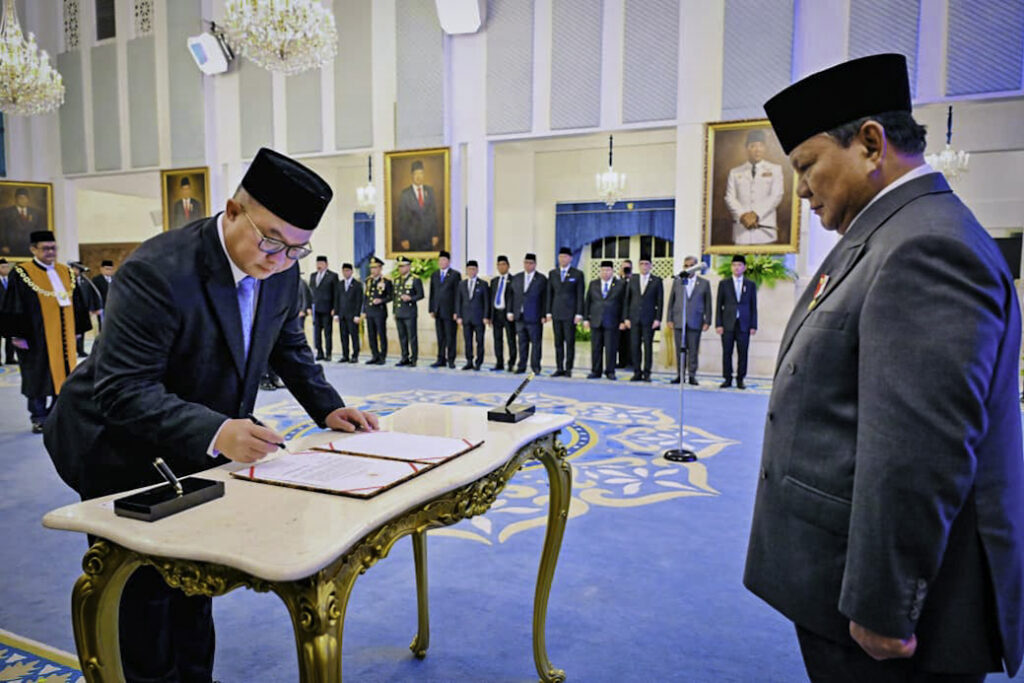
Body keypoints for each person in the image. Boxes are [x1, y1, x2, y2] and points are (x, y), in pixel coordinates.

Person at [43, 147, 379, 683]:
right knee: (144, 592)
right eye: (270, 240)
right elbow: (122, 389)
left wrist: (329, 406)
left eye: (296, 249)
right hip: (116, 444)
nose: (279, 259)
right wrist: (219, 430)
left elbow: (286, 345)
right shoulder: (157, 271)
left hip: (195, 445)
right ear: (231, 209)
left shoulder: (283, 268)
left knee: (194, 579)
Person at [743, 54, 1024, 682]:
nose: (804, 190)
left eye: (808, 167)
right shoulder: (889, 232)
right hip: (837, 581)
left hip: (891, 620)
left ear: (871, 144)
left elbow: (918, 452)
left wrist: (884, 608)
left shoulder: (926, 246)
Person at [0, 231, 79, 433]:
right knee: (37, 376)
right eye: (45, 248)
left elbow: (76, 303)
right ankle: (38, 416)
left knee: (66, 375)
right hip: (35, 337)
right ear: (33, 249)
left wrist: (77, 329)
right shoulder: (22, 273)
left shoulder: (65, 271)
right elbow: (14, 305)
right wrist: (16, 335)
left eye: (53, 248)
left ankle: (56, 413)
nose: (50, 252)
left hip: (63, 336)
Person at [725, 129, 785, 245]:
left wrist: (756, 214)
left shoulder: (775, 169)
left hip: (765, 230)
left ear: (765, 148)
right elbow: (729, 197)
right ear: (747, 148)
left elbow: (776, 195)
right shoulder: (735, 172)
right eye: (753, 146)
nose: (757, 150)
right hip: (741, 231)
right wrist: (743, 216)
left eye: (761, 146)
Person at [667, 256, 712, 385]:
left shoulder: (704, 283)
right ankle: (680, 375)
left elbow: (708, 303)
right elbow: (672, 301)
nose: (689, 268)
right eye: (686, 266)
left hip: (695, 321)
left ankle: (692, 375)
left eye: (691, 265)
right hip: (679, 321)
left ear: (696, 267)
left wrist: (707, 320)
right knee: (680, 350)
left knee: (693, 350)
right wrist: (669, 319)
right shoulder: (678, 281)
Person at [715, 254, 757, 389]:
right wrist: (718, 323)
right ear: (731, 267)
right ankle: (727, 378)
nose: (737, 268)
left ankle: (740, 379)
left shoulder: (750, 285)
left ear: (744, 268)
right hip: (727, 323)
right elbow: (718, 305)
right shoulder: (724, 284)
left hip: (744, 324)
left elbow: (753, 306)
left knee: (743, 352)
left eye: (739, 265)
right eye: (734, 265)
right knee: (727, 352)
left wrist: (753, 325)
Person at [583, 260, 627, 380]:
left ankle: (610, 371)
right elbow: (588, 302)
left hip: (612, 321)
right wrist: (586, 318)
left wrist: (623, 320)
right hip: (596, 320)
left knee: (611, 348)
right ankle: (596, 371)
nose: (605, 273)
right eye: (603, 270)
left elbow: (624, 303)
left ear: (612, 271)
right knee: (596, 347)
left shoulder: (619, 285)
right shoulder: (594, 284)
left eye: (608, 270)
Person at [623, 255, 663, 382]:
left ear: (651, 266)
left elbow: (660, 301)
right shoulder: (633, 279)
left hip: (649, 319)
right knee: (635, 346)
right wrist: (626, 317)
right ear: (638, 265)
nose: (644, 266)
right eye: (642, 264)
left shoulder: (656, 280)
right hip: (634, 318)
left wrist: (658, 319)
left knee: (648, 347)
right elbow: (627, 300)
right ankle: (637, 372)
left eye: (647, 264)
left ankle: (647, 373)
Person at [506, 252, 547, 375]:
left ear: (535, 264)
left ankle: (535, 366)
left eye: (530, 263)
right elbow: (511, 296)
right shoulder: (517, 278)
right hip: (519, 316)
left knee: (536, 343)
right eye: (526, 263)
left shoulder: (541, 279)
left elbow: (545, 298)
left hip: (535, 317)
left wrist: (544, 314)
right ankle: (521, 365)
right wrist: (510, 311)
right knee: (522, 342)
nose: (528, 265)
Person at [546, 246, 584, 378]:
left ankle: (569, 368)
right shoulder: (553, 273)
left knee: (569, 342)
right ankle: (559, 367)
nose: (563, 259)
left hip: (570, 314)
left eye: (565, 257)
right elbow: (549, 294)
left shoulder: (577, 274)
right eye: (560, 257)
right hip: (556, 312)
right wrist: (548, 312)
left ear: (571, 259)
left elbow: (580, 295)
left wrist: (579, 313)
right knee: (558, 342)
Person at [395, 160, 440, 252]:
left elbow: (433, 213)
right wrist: (404, 238)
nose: (418, 177)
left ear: (424, 175)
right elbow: (402, 218)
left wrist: (435, 234)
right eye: (416, 174)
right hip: (412, 238)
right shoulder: (405, 194)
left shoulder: (430, 190)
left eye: (421, 173)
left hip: (428, 238)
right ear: (412, 175)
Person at [455, 259, 490, 370]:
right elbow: (458, 301)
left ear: (477, 270)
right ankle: (469, 361)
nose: (471, 271)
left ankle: (478, 362)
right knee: (468, 341)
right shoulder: (462, 284)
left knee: (479, 341)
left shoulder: (483, 284)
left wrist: (486, 316)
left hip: (479, 318)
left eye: (473, 269)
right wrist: (458, 315)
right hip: (466, 318)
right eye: (469, 269)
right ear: (466, 270)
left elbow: (486, 302)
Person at [428, 250, 460, 368]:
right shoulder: (435, 274)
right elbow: (432, 293)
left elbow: (457, 294)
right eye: (440, 260)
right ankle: (440, 358)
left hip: (450, 312)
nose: (442, 262)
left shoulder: (455, 275)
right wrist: (431, 309)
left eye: (444, 260)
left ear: (449, 261)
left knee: (450, 336)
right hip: (438, 311)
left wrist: (457, 311)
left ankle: (451, 359)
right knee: (440, 337)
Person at [392, 255, 424, 367]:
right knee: (402, 337)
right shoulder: (396, 280)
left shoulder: (415, 279)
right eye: (399, 267)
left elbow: (420, 295)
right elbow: (395, 297)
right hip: (399, 312)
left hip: (409, 313)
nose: (401, 269)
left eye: (403, 266)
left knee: (412, 337)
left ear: (409, 267)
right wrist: (394, 311)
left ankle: (413, 358)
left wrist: (410, 298)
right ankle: (404, 357)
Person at [362, 256, 392, 365]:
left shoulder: (386, 281)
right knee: (371, 334)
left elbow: (390, 296)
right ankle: (374, 355)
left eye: (375, 268)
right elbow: (365, 296)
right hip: (370, 311)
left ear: (380, 268)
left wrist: (381, 300)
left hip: (379, 311)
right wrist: (364, 311)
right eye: (371, 268)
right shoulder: (368, 281)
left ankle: (382, 356)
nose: (373, 270)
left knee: (381, 334)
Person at [308, 256, 338, 361]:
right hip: (316, 309)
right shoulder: (313, 276)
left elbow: (336, 293)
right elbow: (310, 293)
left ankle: (328, 353)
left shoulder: (332, 276)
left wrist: (335, 308)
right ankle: (319, 352)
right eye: (317, 263)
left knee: (327, 332)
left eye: (321, 263)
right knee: (317, 332)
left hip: (327, 308)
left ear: (326, 264)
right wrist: (309, 306)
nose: (318, 265)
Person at [489, 255, 515, 372]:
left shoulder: (514, 280)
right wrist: (489, 316)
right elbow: (491, 299)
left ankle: (511, 363)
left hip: (508, 314)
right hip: (496, 314)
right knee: (497, 339)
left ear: (508, 266)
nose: (501, 267)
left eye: (503, 264)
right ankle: (499, 362)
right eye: (499, 265)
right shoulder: (494, 281)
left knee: (511, 339)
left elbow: (515, 298)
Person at [69, 262, 100, 358]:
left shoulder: (86, 281)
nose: (75, 271)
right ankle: (71, 351)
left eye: (77, 269)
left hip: (82, 311)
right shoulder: (67, 280)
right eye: (73, 268)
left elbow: (91, 295)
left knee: (81, 331)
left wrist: (92, 308)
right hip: (71, 310)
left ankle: (80, 350)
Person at [0, 188, 44, 257]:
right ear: (15, 199)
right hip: (11, 248)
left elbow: (40, 230)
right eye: (20, 198)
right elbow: (2, 230)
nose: (22, 200)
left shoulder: (35, 213)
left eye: (24, 198)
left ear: (28, 199)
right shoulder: (6, 212)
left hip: (30, 249)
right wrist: (3, 245)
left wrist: (39, 246)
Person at [334, 262, 362, 363]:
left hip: (352, 315)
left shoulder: (357, 284)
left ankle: (355, 355)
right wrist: (336, 313)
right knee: (343, 336)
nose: (346, 273)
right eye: (344, 271)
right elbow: (337, 299)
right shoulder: (340, 284)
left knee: (354, 336)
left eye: (347, 271)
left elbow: (359, 301)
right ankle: (345, 355)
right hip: (342, 315)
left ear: (351, 271)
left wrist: (357, 315)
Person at [616, 259, 633, 369]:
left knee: (631, 340)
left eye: (628, 267)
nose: (626, 269)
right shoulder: (617, 281)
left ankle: (631, 362)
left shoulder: (634, 280)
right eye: (624, 267)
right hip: (619, 314)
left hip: (631, 315)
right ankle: (621, 361)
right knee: (620, 340)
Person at [0, 258, 18, 363]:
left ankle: (10, 358)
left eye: (7, 267)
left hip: (9, 313)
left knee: (10, 336)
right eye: (3, 267)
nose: (6, 269)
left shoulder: (11, 281)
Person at [91, 259, 114, 331]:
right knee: (103, 327)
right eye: (107, 269)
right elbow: (93, 295)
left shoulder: (115, 279)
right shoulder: (96, 280)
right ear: (101, 269)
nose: (109, 271)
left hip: (113, 307)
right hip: (102, 307)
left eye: (110, 269)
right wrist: (95, 308)